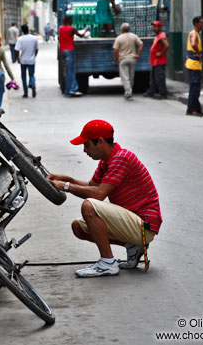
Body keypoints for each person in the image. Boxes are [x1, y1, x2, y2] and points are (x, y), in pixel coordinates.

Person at [47, 120, 162, 277]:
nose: (84, 150)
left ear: (100, 142)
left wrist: (66, 186)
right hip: (134, 223)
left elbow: (98, 194)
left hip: (144, 225)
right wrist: (65, 179)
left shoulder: (121, 159)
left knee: (89, 206)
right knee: (78, 227)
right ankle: (133, 246)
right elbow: (91, 185)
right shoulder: (107, 160)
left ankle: (107, 263)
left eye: (87, 145)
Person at [113, 23, 144, 100]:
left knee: (125, 77)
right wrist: (138, 54)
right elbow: (141, 44)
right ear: (129, 29)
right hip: (133, 59)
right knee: (131, 76)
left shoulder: (119, 38)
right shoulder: (134, 36)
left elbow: (115, 50)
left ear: (121, 30)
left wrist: (116, 59)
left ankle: (128, 92)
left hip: (123, 59)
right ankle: (128, 92)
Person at [59, 15, 88, 97]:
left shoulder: (61, 28)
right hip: (69, 51)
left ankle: (68, 90)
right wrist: (85, 30)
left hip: (63, 51)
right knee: (70, 71)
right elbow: (81, 35)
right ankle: (72, 89)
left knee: (68, 71)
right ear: (70, 20)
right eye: (71, 20)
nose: (72, 21)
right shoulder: (72, 28)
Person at [185, 16, 203, 117]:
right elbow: (193, 44)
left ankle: (197, 109)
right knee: (194, 88)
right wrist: (198, 53)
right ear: (196, 24)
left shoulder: (196, 33)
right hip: (193, 64)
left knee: (195, 88)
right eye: (201, 23)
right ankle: (191, 109)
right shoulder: (194, 33)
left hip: (195, 65)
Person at [144, 21, 169, 99]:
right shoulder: (158, 36)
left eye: (156, 27)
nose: (154, 28)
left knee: (160, 77)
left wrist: (161, 53)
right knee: (153, 77)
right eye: (154, 27)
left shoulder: (161, 36)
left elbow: (167, 46)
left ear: (159, 27)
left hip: (159, 61)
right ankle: (151, 92)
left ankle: (163, 93)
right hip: (155, 61)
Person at [15, 24, 39, 98]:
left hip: (23, 60)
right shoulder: (34, 38)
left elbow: (17, 50)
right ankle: (32, 84)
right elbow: (37, 49)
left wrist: (18, 58)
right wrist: (34, 56)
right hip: (31, 60)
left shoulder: (20, 39)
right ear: (28, 29)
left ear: (22, 31)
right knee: (31, 74)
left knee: (23, 76)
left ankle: (25, 92)